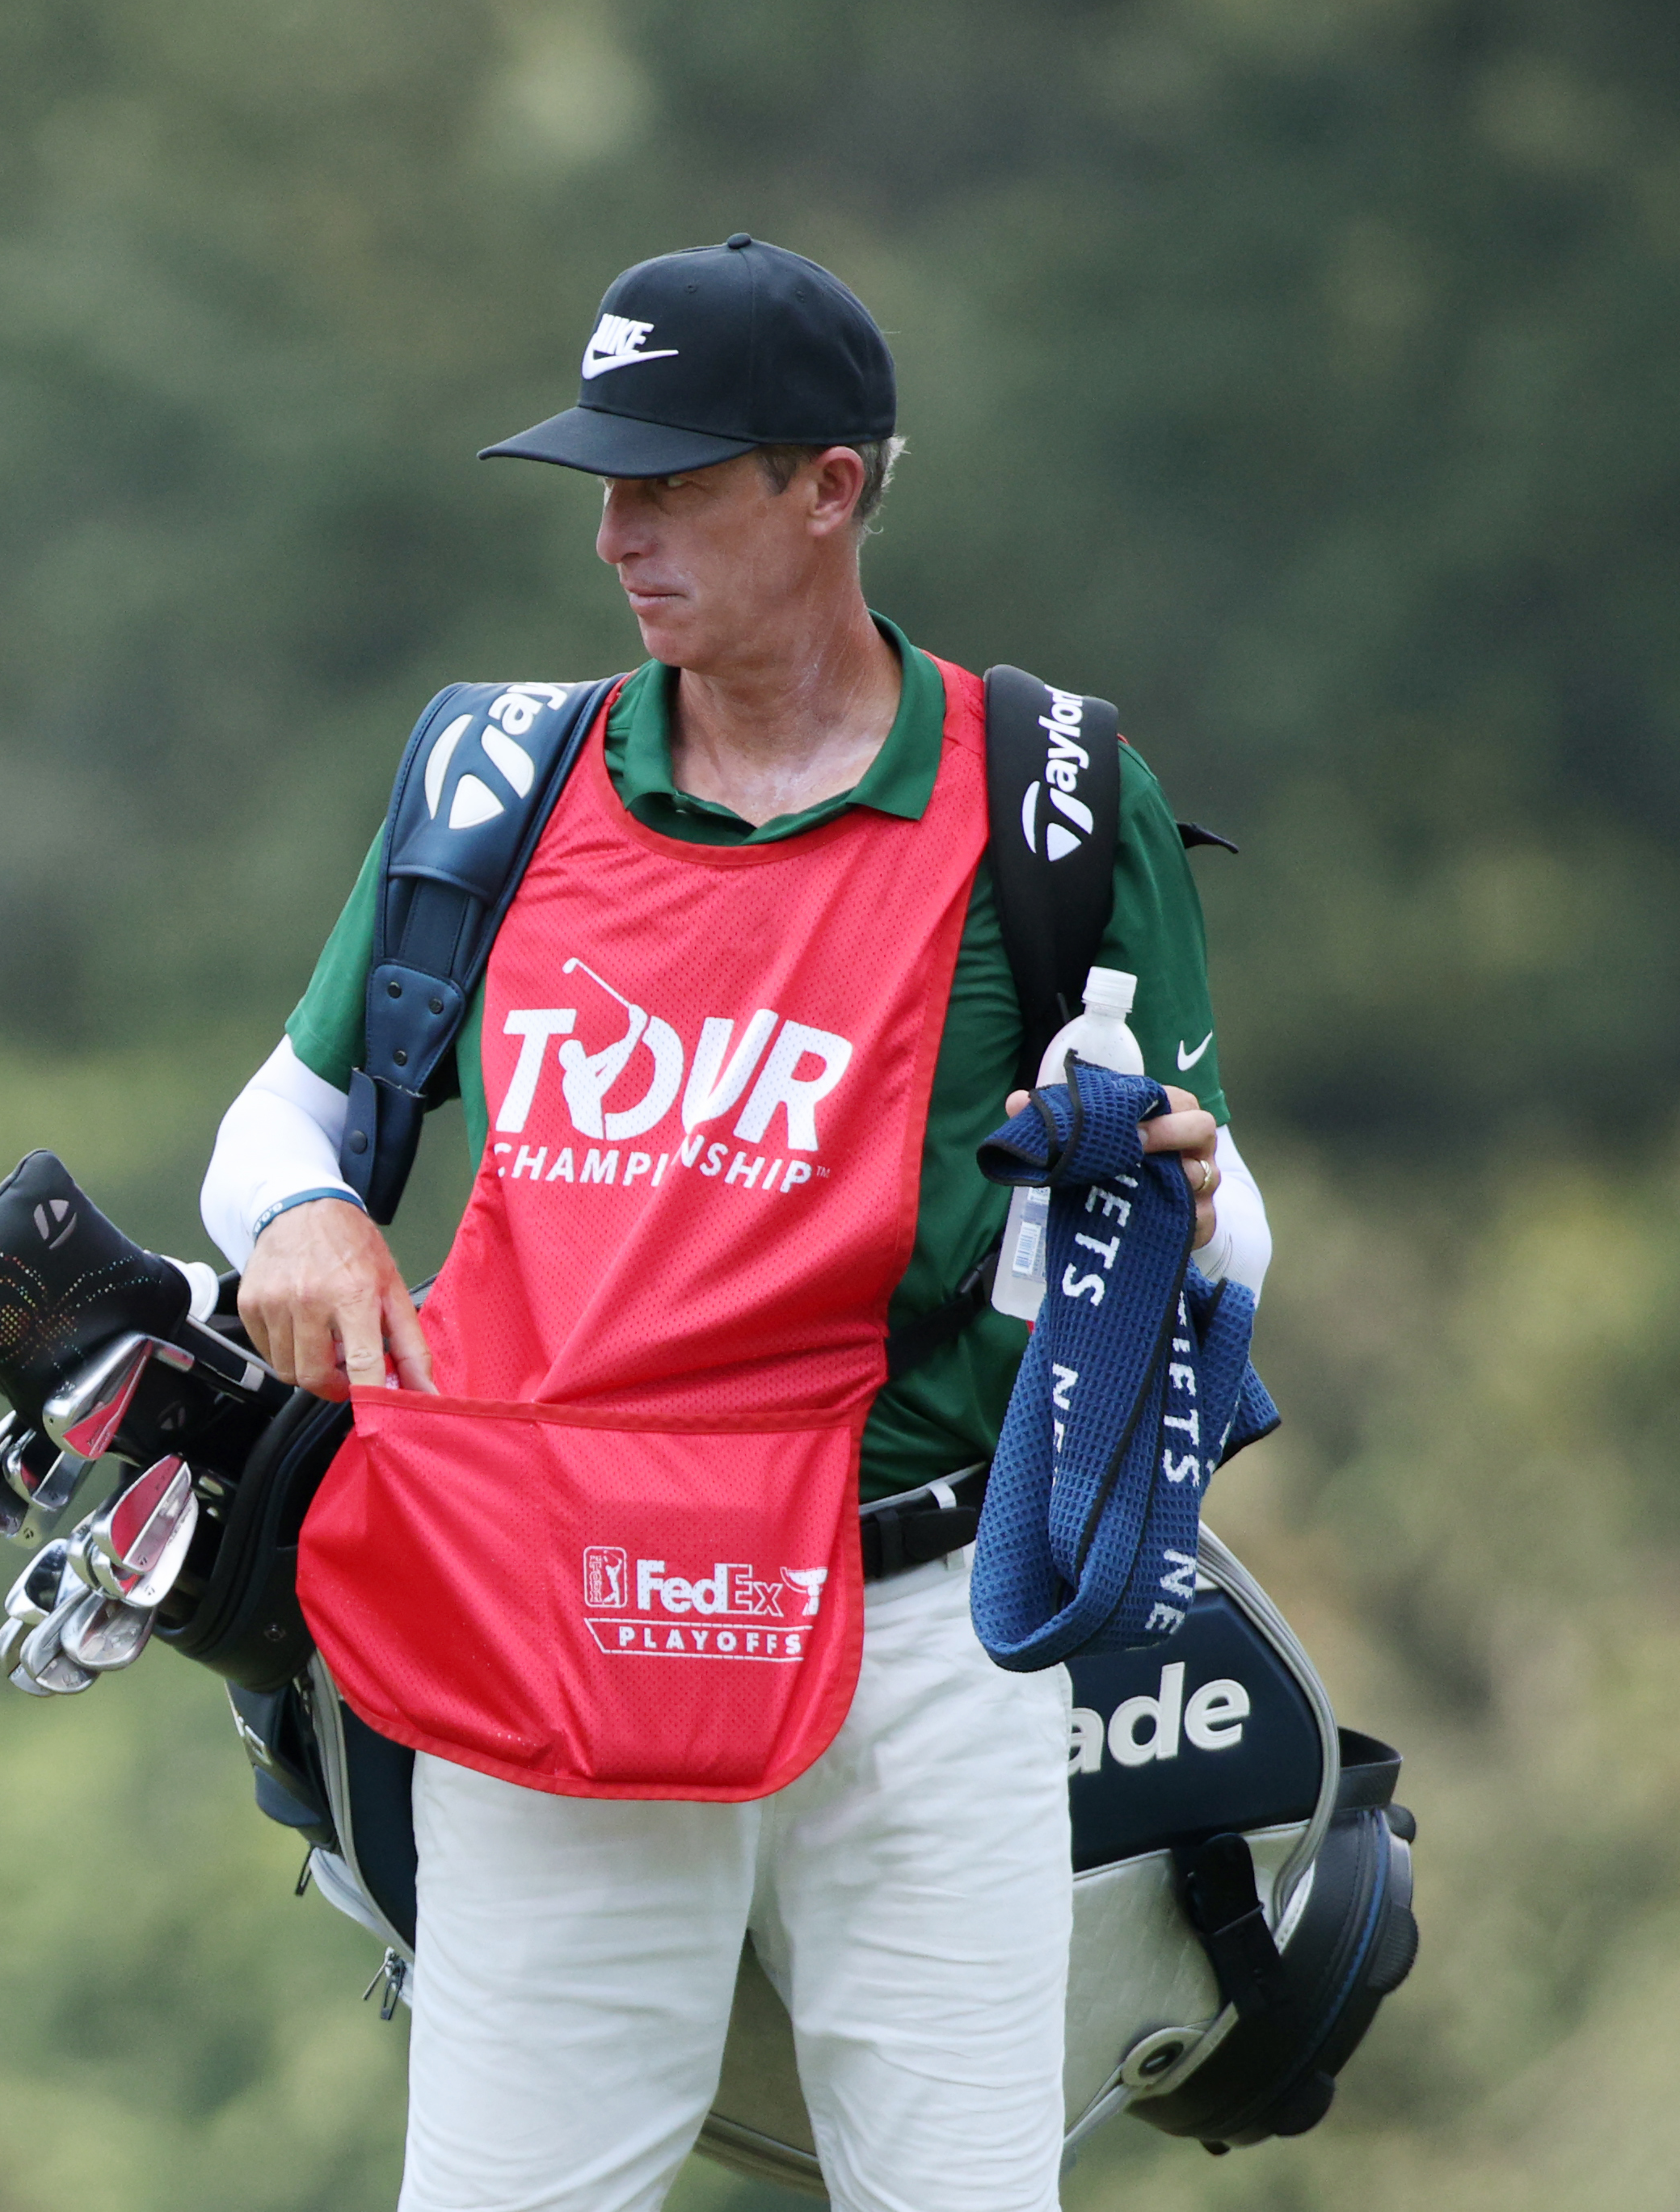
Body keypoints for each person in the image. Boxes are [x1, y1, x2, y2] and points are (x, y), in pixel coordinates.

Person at [197, 236, 1273, 2212]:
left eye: (671, 482)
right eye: (602, 485)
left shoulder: (1049, 799)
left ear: (831, 486)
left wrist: (1193, 1196)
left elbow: (1219, 1230)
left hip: (929, 1627)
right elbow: (283, 1115)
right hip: (561, 1610)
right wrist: (307, 1220)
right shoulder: (501, 781)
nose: (617, 535)